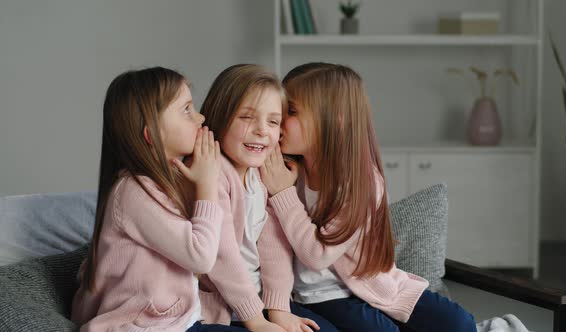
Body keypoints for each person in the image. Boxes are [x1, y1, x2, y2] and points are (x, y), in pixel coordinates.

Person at [260, 62, 477, 332]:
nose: (279, 121)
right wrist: (281, 191)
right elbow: (304, 256)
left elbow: (320, 251)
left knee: (460, 323)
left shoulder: (361, 181)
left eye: (290, 111)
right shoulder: (278, 171)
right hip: (319, 297)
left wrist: (283, 193)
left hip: (373, 284)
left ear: (335, 119)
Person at [71, 67, 245, 332]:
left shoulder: (167, 182)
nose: (200, 117)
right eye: (186, 110)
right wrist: (207, 185)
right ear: (151, 134)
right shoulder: (132, 192)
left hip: (177, 322)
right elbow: (200, 257)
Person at [198, 64, 336, 332]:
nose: (262, 130)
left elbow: (274, 246)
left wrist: (279, 309)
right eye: (247, 117)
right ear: (220, 116)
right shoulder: (212, 174)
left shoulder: (259, 174)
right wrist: (257, 321)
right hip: (218, 308)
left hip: (257, 304)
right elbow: (221, 255)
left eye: (273, 121)